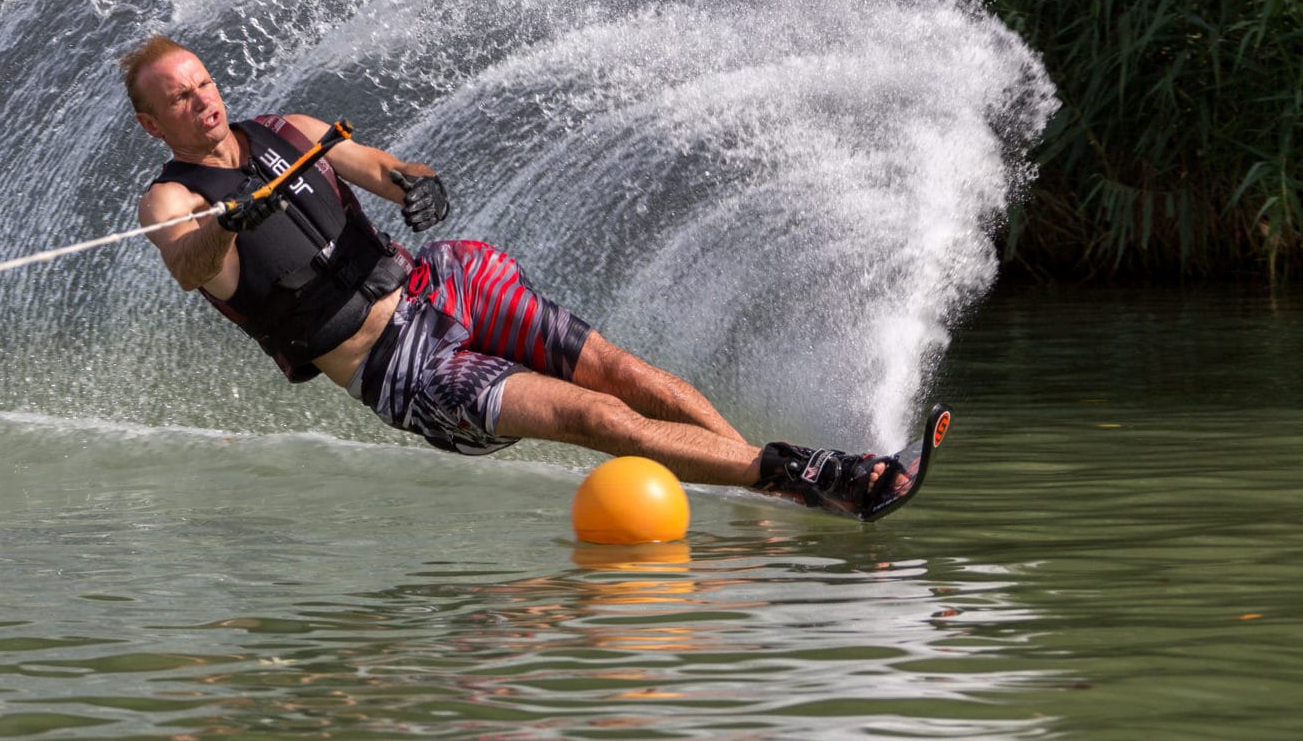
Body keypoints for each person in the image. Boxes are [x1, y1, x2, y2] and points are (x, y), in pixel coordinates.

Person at [121, 35, 905, 514]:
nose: (201, 104)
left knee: (633, 378)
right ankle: (816, 472)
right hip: (403, 367)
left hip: (444, 283)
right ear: (153, 123)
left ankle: (766, 488)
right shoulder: (172, 198)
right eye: (178, 101)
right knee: (596, 419)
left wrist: (415, 184)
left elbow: (391, 169)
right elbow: (188, 263)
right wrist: (226, 223)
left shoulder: (294, 131)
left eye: (203, 86)